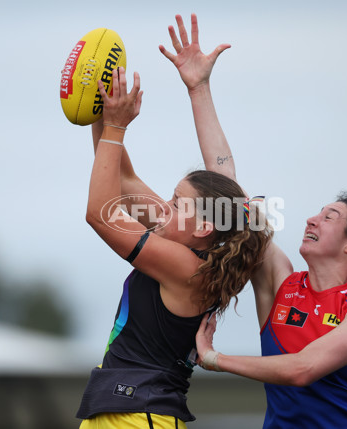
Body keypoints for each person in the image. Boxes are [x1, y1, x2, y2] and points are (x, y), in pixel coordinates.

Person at [161, 13, 347, 428]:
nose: (312, 218)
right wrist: (199, 88)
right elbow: (227, 194)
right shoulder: (281, 283)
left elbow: (302, 369)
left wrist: (216, 360)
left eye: (329, 216)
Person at [75, 64, 273, 428]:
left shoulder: (187, 266)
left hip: (139, 415)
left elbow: (100, 216)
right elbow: (122, 176)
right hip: (130, 412)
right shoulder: (185, 244)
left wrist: (117, 127)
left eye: (177, 202)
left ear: (204, 226)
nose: (164, 208)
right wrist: (101, 107)